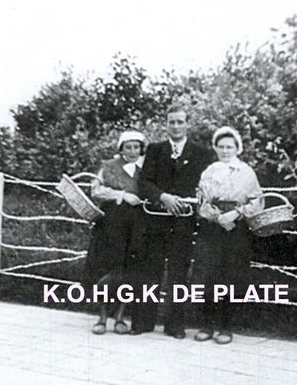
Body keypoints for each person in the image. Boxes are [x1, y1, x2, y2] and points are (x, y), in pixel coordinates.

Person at [130, 104, 212, 338]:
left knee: (178, 272)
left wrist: (196, 200)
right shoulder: (155, 150)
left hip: (183, 222)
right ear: (166, 125)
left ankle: (175, 325)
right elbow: (144, 183)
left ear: (187, 125)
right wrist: (163, 197)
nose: (176, 126)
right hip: (155, 220)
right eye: (171, 122)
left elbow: (207, 185)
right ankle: (143, 322)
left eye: (180, 122)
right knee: (149, 269)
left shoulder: (201, 153)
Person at [193, 126, 264, 345]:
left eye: (229, 147)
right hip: (211, 227)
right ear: (215, 148)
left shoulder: (246, 172)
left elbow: (257, 200)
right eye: (221, 147)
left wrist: (236, 213)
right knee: (207, 274)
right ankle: (206, 325)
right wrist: (215, 216)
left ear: (237, 148)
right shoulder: (209, 171)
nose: (225, 151)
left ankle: (226, 327)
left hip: (236, 228)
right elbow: (201, 201)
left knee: (229, 275)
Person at [84, 130, 145, 334]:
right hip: (111, 223)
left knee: (128, 269)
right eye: (128, 147)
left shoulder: (146, 168)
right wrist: (122, 195)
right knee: (108, 268)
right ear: (121, 148)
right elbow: (95, 190)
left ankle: (120, 318)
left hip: (135, 224)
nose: (132, 151)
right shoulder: (109, 166)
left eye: (136, 147)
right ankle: (102, 318)